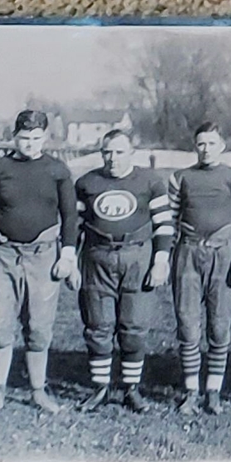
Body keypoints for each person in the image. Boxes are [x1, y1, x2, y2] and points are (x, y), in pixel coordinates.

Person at [0, 110, 76, 413]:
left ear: (45, 137)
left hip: (43, 255)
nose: (30, 144)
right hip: (3, 255)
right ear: (14, 137)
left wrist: (68, 254)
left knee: (39, 325)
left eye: (36, 138)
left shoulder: (57, 169)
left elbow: (70, 215)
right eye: (24, 138)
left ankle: (38, 390)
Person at [72, 130, 175, 413]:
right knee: (98, 325)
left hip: (137, 256)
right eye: (107, 152)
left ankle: (132, 389)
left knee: (133, 326)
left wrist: (161, 260)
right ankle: (100, 387)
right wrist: (70, 261)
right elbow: (75, 226)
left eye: (119, 152)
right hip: (97, 256)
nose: (113, 158)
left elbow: (164, 224)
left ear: (132, 152)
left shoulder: (150, 182)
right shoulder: (87, 183)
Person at [168, 123, 231, 415]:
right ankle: (191, 391)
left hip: (223, 255)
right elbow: (168, 221)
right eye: (201, 143)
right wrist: (165, 258)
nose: (206, 149)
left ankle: (213, 392)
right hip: (189, 253)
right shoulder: (181, 177)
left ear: (222, 146)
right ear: (195, 146)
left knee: (219, 326)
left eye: (211, 143)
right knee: (188, 325)